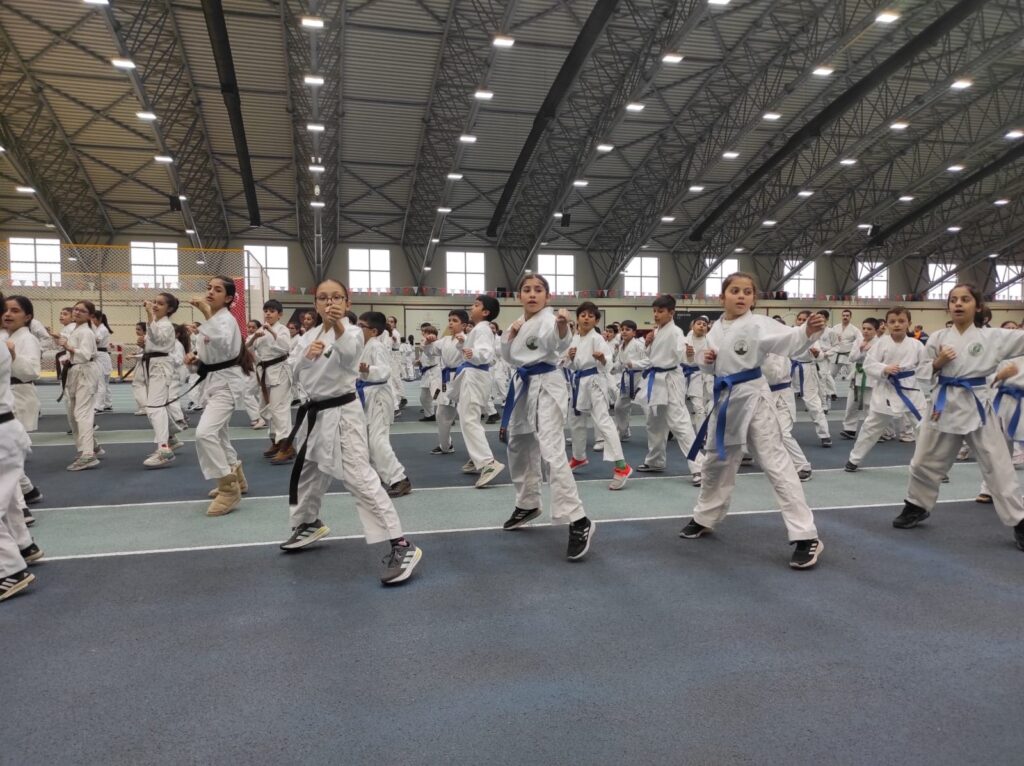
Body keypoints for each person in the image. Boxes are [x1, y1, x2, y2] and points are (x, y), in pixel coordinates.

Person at [279, 278, 422, 585]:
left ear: (347, 303)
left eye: (336, 297)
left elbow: (350, 357)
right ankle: (308, 522)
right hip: (315, 412)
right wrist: (307, 356)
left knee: (359, 477)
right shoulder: (309, 336)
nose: (329, 302)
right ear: (315, 304)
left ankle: (401, 544)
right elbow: (293, 371)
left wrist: (337, 329)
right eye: (323, 298)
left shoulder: (354, 332)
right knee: (309, 471)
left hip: (342, 414)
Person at [681, 272, 826, 569]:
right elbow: (709, 367)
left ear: (754, 298)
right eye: (735, 290)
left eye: (747, 292)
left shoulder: (759, 323)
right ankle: (705, 516)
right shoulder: (715, 328)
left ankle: (806, 535)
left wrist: (806, 331)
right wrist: (706, 362)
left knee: (776, 464)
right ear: (722, 297)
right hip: (725, 401)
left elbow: (789, 342)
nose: (741, 296)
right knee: (715, 463)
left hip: (754, 398)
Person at [894, 284, 1024, 551]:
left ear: (978, 306)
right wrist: (938, 362)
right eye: (953, 300)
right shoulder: (938, 337)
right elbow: (921, 372)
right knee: (923, 460)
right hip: (943, 404)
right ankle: (916, 505)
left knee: (998, 465)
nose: (958, 304)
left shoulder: (993, 337)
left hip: (978, 404)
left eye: (965, 299)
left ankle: (1019, 520)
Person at [499, 274, 595, 560]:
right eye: (526, 290)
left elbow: (558, 343)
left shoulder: (551, 320)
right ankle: (527, 503)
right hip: (523, 384)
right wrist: (510, 335)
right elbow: (507, 357)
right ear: (519, 296)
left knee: (551, 451)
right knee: (519, 444)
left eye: (538, 290)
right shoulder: (518, 323)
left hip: (547, 385)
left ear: (547, 296)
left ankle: (578, 519)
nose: (532, 294)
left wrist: (563, 326)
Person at [187, 277, 252, 516]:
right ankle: (237, 477)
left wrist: (206, 312)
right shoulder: (213, 321)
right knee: (220, 434)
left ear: (228, 298)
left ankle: (227, 488)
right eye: (209, 288)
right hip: (213, 382)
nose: (210, 292)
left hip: (227, 384)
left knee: (204, 434)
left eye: (218, 290)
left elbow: (223, 344)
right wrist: (194, 360)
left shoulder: (226, 320)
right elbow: (209, 356)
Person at [843, 308, 929, 472]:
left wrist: (938, 365)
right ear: (886, 324)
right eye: (892, 322)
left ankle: (929, 465)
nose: (897, 325)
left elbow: (925, 367)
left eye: (901, 321)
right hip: (886, 388)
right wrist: (884, 369)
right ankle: (854, 459)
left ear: (909, 323)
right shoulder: (881, 343)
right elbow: (868, 365)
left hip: (910, 389)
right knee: (871, 427)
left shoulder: (917, 345)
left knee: (923, 427)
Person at [0, 304, 43, 603]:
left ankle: (9, 570)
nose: (9, 314)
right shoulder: (5, 342)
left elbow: (31, 371)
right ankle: (24, 545)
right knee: (11, 495)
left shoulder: (14, 342)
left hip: (5, 429)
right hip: (7, 430)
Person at [566, 301, 632, 490]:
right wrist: (571, 358)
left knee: (603, 422)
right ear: (578, 318)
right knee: (575, 420)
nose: (586, 318)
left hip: (595, 382)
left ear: (596, 320)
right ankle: (578, 457)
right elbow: (571, 365)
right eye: (583, 315)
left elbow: (608, 362)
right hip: (579, 382)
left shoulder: (597, 339)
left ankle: (622, 466)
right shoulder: (575, 338)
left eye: (591, 316)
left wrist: (602, 358)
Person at [637, 294, 701, 485]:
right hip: (656, 379)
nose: (656, 315)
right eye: (654, 311)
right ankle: (655, 461)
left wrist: (689, 354)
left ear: (671, 312)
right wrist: (648, 343)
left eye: (660, 311)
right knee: (654, 422)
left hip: (671, 379)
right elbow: (651, 356)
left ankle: (699, 467)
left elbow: (683, 354)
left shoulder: (676, 332)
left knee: (679, 423)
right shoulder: (657, 331)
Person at [356, 311, 412, 497]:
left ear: (373, 331)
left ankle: (399, 479)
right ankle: (376, 475)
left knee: (377, 440)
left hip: (379, 397)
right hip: (366, 395)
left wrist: (368, 370)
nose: (357, 329)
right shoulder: (362, 346)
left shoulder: (376, 346)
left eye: (361, 326)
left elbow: (385, 371)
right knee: (367, 440)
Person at [451, 296, 505, 487]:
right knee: (468, 418)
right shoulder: (479, 329)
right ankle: (477, 458)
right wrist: (464, 344)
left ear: (485, 312)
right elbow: (473, 350)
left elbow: (485, 353)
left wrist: (473, 353)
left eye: (476, 305)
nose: (471, 307)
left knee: (469, 419)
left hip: (475, 375)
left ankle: (487, 462)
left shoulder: (483, 328)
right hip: (474, 374)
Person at [2, 295, 44, 513]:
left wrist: (13, 355)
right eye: (6, 310)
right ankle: (28, 492)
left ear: (28, 317)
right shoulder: (6, 336)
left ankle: (21, 508)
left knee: (8, 455)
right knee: (8, 454)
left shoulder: (27, 339)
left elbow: (32, 372)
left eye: (15, 310)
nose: (8, 314)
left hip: (19, 396)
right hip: (8, 396)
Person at [140, 292, 186, 468]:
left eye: (160, 304)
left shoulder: (166, 325)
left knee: (154, 407)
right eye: (154, 302)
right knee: (158, 406)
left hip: (160, 366)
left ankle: (164, 449)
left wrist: (148, 315)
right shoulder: (157, 323)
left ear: (170, 309)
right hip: (152, 364)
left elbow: (157, 338)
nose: (155, 305)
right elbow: (153, 342)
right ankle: (170, 437)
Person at [58, 300, 102, 471]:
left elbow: (85, 355)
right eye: (75, 309)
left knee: (82, 413)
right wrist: (68, 356)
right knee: (73, 413)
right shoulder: (76, 330)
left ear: (90, 315)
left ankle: (88, 454)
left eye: (82, 311)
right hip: (75, 371)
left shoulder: (86, 332)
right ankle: (90, 446)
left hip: (85, 372)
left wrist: (68, 347)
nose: (77, 312)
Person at [249, 300, 294, 464]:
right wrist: (254, 337)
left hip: (280, 372)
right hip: (265, 373)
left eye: (272, 311)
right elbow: (247, 349)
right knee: (267, 408)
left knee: (279, 409)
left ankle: (287, 446)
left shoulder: (282, 330)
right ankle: (276, 441)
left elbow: (286, 347)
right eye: (266, 311)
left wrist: (271, 331)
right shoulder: (260, 330)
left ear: (279, 314)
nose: (268, 313)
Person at [791, 309, 833, 447]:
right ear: (796, 320)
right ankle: (782, 434)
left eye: (805, 320)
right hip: (789, 370)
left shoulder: (813, 336)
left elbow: (821, 357)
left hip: (807, 370)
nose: (801, 322)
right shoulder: (790, 334)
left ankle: (824, 434)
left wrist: (816, 354)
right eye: (800, 319)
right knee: (784, 403)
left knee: (813, 403)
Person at [429, 310, 468, 456]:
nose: (450, 323)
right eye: (449, 320)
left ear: (463, 325)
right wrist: (428, 342)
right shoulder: (445, 340)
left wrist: (463, 343)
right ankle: (445, 445)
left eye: (455, 320)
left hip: (462, 377)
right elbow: (431, 351)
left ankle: (479, 454)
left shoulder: (468, 339)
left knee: (467, 418)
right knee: (441, 414)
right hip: (447, 379)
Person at [839, 318, 880, 439]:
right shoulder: (858, 341)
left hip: (872, 376)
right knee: (852, 403)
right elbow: (851, 358)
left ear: (876, 330)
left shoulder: (880, 343)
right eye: (864, 328)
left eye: (869, 329)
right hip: (857, 374)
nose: (865, 331)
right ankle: (849, 429)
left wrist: (866, 352)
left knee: (869, 405)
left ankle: (872, 431)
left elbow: (877, 360)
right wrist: (861, 350)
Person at [611, 320, 646, 441]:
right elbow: (620, 363)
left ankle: (661, 432)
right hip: (627, 380)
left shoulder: (639, 345)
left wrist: (634, 364)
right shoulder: (621, 346)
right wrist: (612, 369)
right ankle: (623, 431)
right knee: (619, 407)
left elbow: (649, 361)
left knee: (648, 409)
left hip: (641, 379)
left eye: (627, 329)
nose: (624, 332)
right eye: (622, 329)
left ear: (634, 332)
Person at [684, 315, 712, 425]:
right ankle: (674, 430)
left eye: (704, 325)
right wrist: (687, 355)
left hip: (699, 375)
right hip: (682, 374)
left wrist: (693, 356)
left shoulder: (710, 342)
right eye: (699, 324)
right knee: (676, 405)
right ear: (692, 326)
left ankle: (702, 434)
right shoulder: (684, 340)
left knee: (699, 407)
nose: (701, 326)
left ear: (707, 328)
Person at [91, 310, 113, 414]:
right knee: (105, 382)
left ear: (99, 319)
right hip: (102, 356)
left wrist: (87, 338)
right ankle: (108, 404)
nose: (92, 320)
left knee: (100, 382)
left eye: (93, 318)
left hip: (101, 356)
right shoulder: (100, 328)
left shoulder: (102, 329)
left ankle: (98, 406)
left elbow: (97, 340)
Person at [417, 323, 440, 421]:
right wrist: (419, 361)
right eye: (424, 332)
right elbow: (424, 353)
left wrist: (430, 341)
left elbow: (430, 352)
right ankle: (429, 415)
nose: (424, 334)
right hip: (426, 373)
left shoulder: (437, 344)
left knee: (437, 395)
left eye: (427, 333)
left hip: (436, 373)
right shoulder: (425, 343)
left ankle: (446, 416)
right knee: (423, 398)